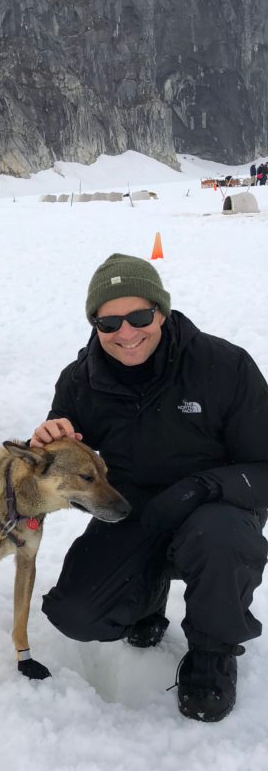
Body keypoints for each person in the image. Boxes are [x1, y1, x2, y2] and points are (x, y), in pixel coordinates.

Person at [31, 255, 268, 722]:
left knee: (220, 541)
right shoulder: (80, 381)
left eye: (140, 316)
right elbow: (62, 468)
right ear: (94, 323)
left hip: (217, 509)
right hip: (132, 510)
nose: (126, 332)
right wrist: (43, 442)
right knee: (77, 614)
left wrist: (204, 487)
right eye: (108, 321)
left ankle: (212, 653)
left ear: (161, 311)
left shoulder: (224, 366)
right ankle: (147, 595)